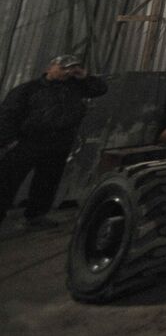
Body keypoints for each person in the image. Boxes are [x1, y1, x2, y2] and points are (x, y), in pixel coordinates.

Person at [0, 54, 107, 230]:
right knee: (7, 181)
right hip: (28, 141)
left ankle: (36, 215)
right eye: (63, 67)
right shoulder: (28, 89)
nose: (67, 71)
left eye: (71, 68)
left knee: (47, 181)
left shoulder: (75, 88)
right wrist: (8, 142)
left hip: (59, 142)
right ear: (49, 68)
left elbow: (101, 89)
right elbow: (8, 115)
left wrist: (85, 76)